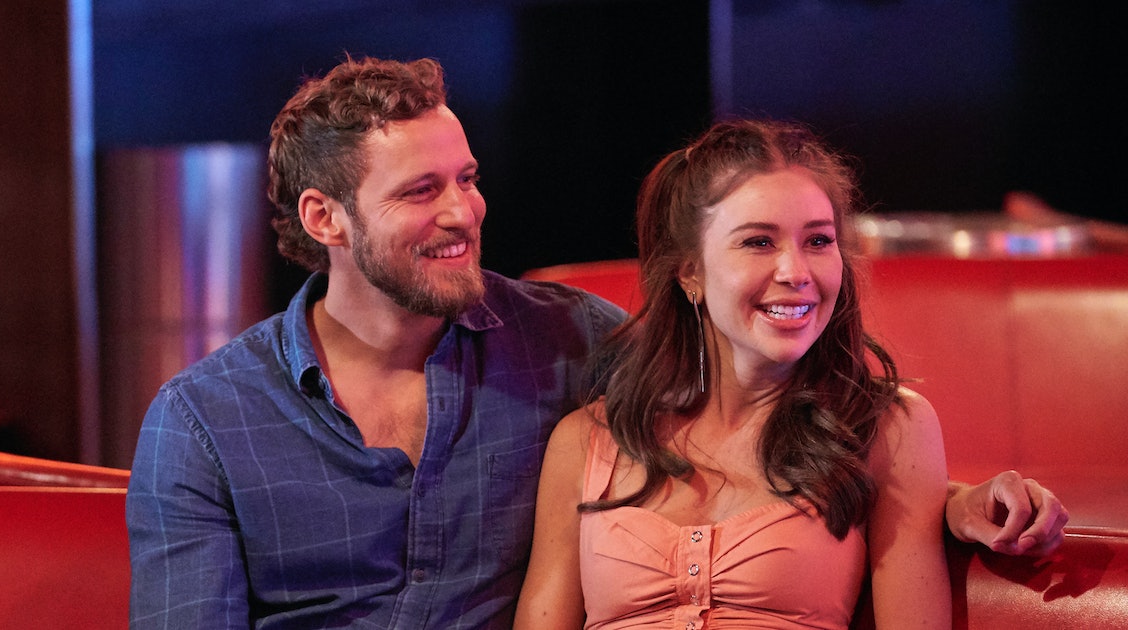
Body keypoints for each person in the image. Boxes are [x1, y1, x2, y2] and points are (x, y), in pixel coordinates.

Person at [126, 57, 1068, 629]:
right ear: (324, 218)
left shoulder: (569, 340)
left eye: (468, 178)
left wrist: (947, 501)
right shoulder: (204, 422)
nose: (464, 212)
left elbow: (756, 411)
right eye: (421, 191)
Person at [512, 118, 1053, 629]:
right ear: (690, 271)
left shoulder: (890, 430)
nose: (796, 271)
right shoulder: (585, 441)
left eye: (818, 241)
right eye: (759, 242)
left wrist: (953, 501)